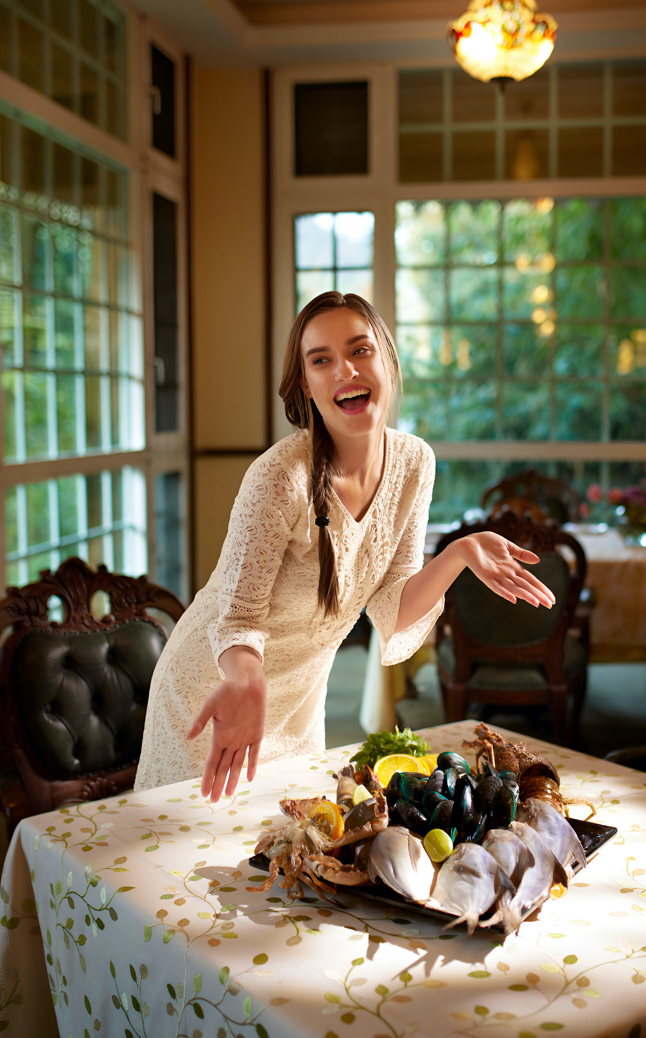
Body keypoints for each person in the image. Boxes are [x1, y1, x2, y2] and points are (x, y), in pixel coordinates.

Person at [135, 292, 554, 800]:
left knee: (292, 841)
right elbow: (237, 618)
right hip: (216, 692)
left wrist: (458, 554)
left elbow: (394, 608)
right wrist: (246, 680)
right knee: (189, 845)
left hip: (298, 704)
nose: (345, 370)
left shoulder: (415, 462)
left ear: (388, 361)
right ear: (305, 385)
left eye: (360, 350)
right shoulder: (278, 477)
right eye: (321, 360)